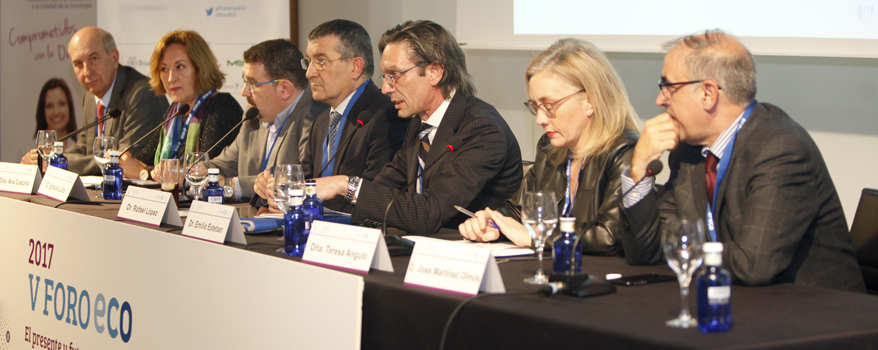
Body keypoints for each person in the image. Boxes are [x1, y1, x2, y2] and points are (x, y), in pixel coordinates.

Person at [621, 30, 865, 292]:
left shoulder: (781, 147)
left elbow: (753, 264)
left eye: (668, 87)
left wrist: (679, 249)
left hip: (822, 314)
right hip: (744, 302)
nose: (660, 100)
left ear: (708, 93)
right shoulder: (689, 153)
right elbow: (645, 253)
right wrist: (638, 169)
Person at [314, 20, 522, 234]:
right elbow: (382, 190)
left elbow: (430, 213)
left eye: (394, 75)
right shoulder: (419, 124)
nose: (385, 88)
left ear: (434, 72)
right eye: (384, 77)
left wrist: (345, 184)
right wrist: (306, 195)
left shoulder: (481, 129)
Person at [458, 38, 644, 261]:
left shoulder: (626, 150)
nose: (540, 119)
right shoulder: (549, 148)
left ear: (591, 100)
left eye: (549, 106)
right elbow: (518, 210)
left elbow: (611, 236)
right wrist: (493, 222)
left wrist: (536, 236)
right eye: (536, 107)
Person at [253, 19, 407, 213]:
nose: (309, 73)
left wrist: (301, 199)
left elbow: (376, 195)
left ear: (355, 67)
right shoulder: (322, 120)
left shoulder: (386, 116)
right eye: (308, 62)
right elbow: (308, 179)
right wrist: (275, 185)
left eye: (321, 62)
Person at [193, 39, 327, 202]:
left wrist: (233, 186)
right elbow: (227, 164)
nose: (244, 92)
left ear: (284, 89)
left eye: (253, 84)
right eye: (245, 82)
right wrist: (194, 171)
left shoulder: (317, 118)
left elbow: (298, 180)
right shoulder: (253, 119)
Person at [113, 30, 242, 180]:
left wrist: (144, 174)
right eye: (164, 69)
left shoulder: (222, 107)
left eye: (179, 67)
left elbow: (201, 172)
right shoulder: (176, 110)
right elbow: (146, 158)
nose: (170, 78)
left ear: (200, 68)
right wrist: (126, 162)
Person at [45, 26, 168, 175]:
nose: (87, 72)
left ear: (114, 58)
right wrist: (52, 156)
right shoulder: (90, 95)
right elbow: (84, 146)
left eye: (93, 59)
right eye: (78, 64)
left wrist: (55, 162)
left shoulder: (143, 94)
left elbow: (121, 161)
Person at [34, 78, 78, 148]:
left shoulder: (81, 151)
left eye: (61, 103)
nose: (56, 112)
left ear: (69, 107)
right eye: (49, 106)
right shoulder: (28, 154)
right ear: (42, 111)